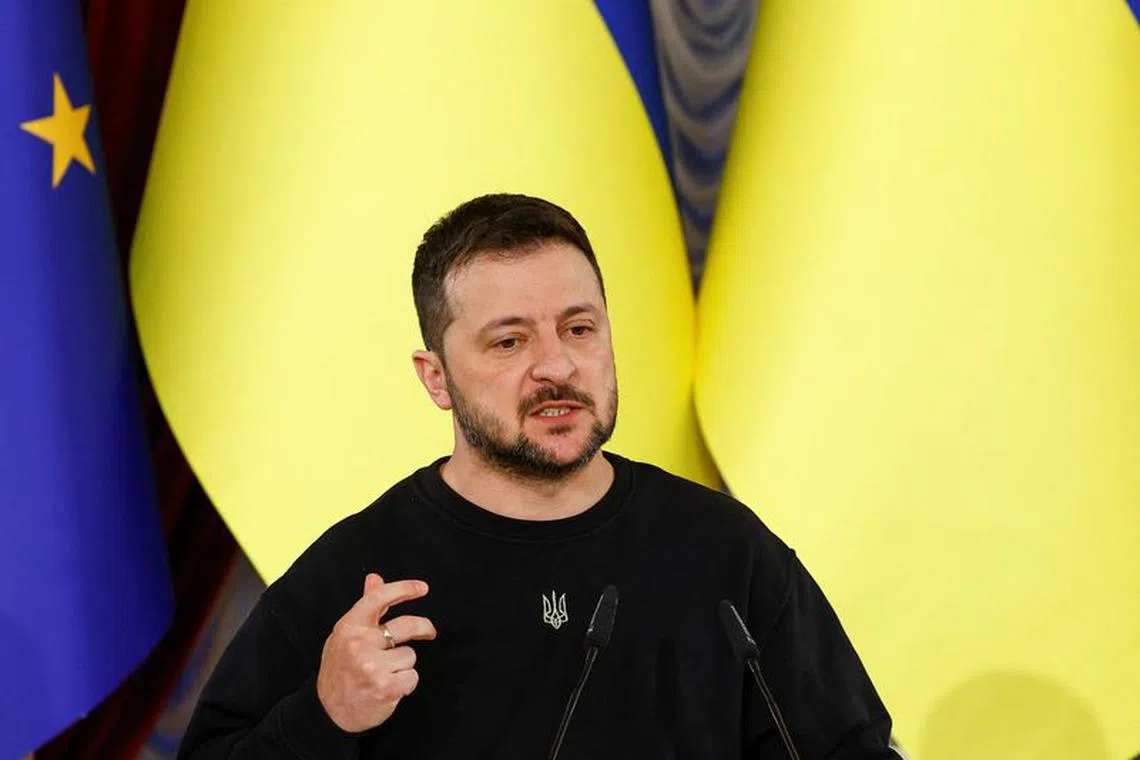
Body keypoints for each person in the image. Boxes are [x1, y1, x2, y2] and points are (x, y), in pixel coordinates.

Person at [177, 193, 898, 758]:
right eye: (509, 340)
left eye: (579, 329)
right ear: (437, 378)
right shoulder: (365, 573)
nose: (556, 366)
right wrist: (324, 715)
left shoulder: (724, 552)